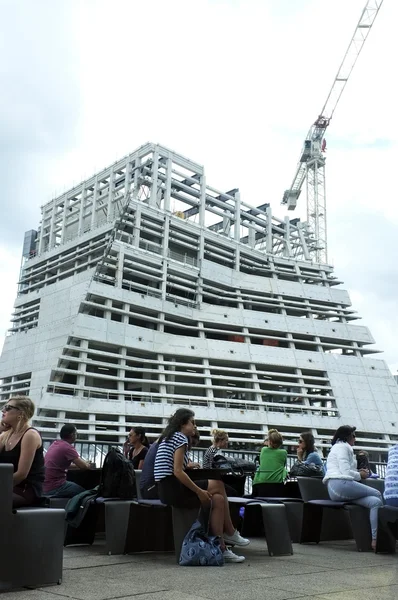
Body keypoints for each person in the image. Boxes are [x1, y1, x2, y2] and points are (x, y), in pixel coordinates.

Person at [154, 408, 250, 563]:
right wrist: (199, 491)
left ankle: (221, 547)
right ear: (182, 423)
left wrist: (188, 466)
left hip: (166, 489)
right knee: (218, 484)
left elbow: (174, 467)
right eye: (192, 423)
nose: (194, 426)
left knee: (218, 499)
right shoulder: (181, 438)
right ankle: (230, 531)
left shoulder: (169, 437)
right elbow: (177, 472)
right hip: (173, 488)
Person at [323, 425, 383, 550]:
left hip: (336, 488)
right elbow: (345, 472)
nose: (355, 439)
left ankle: (373, 540)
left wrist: (358, 472)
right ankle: (378, 538)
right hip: (340, 484)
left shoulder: (337, 448)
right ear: (347, 436)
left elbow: (346, 469)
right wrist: (360, 475)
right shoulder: (344, 447)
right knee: (377, 493)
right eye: (354, 436)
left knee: (375, 502)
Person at [0, 396, 44, 507]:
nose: (3, 410)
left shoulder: (30, 435)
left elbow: (21, 474)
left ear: (21, 413)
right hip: (9, 487)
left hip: (25, 490)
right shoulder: (6, 435)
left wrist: (2, 488)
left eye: (8, 407)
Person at [43, 424, 92, 498]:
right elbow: (84, 467)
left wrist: (78, 465)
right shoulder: (68, 447)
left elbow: (61, 465)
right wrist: (88, 464)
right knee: (86, 494)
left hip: (45, 485)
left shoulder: (55, 444)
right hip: (56, 486)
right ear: (72, 435)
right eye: (76, 434)